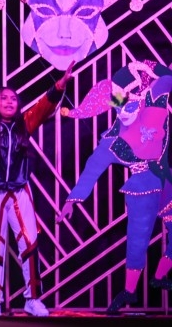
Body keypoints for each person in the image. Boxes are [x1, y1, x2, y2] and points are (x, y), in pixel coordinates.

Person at [57, 60, 172, 315]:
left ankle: (160, 276)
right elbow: (92, 168)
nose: (122, 111)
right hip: (143, 184)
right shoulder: (113, 141)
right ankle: (130, 291)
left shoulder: (154, 100)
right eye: (118, 105)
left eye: (127, 103)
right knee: (138, 238)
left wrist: (147, 66)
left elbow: (167, 78)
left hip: (165, 179)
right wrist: (72, 200)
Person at [0, 54, 74, 317]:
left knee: (29, 242)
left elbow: (43, 107)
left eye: (13, 99)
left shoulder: (23, 124)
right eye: (3, 98)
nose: (8, 101)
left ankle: (33, 299)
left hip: (19, 190)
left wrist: (60, 85)